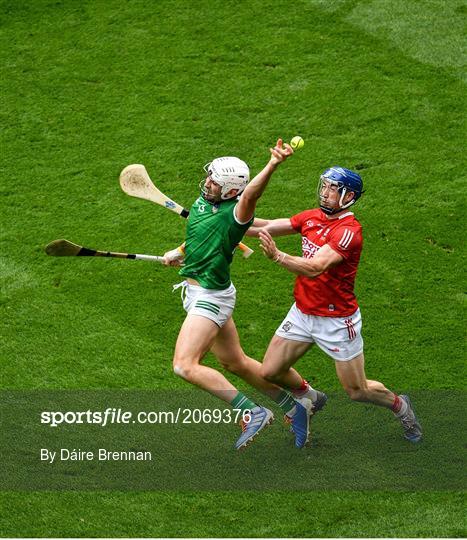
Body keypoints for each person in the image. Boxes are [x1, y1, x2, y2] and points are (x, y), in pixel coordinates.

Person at [247, 166, 422, 443]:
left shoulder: (349, 231)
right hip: (303, 313)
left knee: (357, 390)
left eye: (333, 189)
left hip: (337, 321)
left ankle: (400, 406)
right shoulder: (312, 217)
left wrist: (278, 257)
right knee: (270, 371)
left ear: (349, 195)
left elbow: (317, 267)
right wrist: (228, 219)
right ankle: (310, 396)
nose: (325, 193)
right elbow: (263, 226)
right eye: (325, 186)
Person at [163, 140, 314, 450]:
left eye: (215, 182)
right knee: (235, 362)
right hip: (198, 289)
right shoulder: (207, 201)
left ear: (231, 191)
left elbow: (252, 196)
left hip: (210, 297)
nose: (208, 183)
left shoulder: (237, 211)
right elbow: (201, 231)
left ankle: (251, 411)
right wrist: (180, 252)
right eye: (209, 176)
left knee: (184, 365)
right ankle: (294, 406)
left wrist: (273, 164)